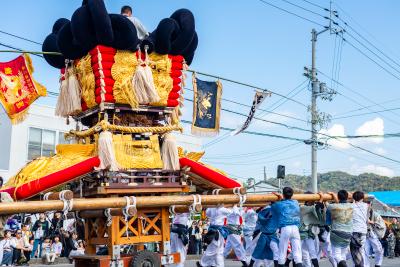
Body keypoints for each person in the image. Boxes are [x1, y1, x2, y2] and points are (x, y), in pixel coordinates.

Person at [271, 187, 302, 267]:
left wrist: (279, 198)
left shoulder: (278, 204)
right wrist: (282, 197)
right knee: (297, 254)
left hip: (285, 228)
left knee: (282, 252)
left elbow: (274, 208)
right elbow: (286, 202)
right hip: (295, 228)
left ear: (283, 194)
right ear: (292, 194)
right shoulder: (295, 202)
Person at [326, 190, 353, 267]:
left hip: (336, 233)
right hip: (348, 233)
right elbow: (341, 204)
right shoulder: (352, 206)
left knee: (336, 255)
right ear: (347, 197)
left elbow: (328, 222)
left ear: (338, 197)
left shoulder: (331, 207)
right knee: (342, 254)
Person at [299, 195, 325, 267]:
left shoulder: (312, 208)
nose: (313, 202)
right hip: (301, 234)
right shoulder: (303, 207)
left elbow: (320, 208)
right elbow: (317, 207)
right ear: (308, 201)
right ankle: (287, 263)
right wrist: (321, 199)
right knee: (298, 253)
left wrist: (321, 202)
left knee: (313, 252)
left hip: (310, 234)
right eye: (312, 200)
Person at [364, 202, 386, 267]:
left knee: (378, 250)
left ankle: (378, 264)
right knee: (365, 251)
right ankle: (366, 265)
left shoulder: (375, 214)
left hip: (373, 234)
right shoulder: (361, 213)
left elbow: (381, 224)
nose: (367, 205)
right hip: (364, 235)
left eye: (368, 203)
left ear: (371, 205)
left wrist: (371, 222)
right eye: (365, 203)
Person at [350, 191, 368, 267]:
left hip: (355, 231)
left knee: (355, 253)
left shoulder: (351, 206)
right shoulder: (366, 206)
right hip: (363, 231)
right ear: (362, 198)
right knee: (361, 251)